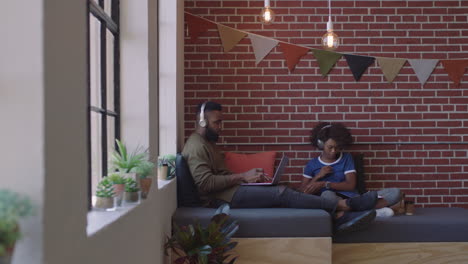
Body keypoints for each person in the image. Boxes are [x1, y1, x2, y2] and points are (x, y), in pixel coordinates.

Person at [182, 101, 379, 233]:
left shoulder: (208, 143)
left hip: (230, 191)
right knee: (282, 193)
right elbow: (205, 184)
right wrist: (242, 176)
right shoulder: (196, 145)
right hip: (220, 199)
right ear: (202, 121)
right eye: (217, 123)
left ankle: (337, 215)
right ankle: (344, 206)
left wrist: (250, 178)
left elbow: (219, 176)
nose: (220, 127)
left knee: (286, 188)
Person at [300, 122, 401, 218]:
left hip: (354, 199)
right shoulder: (312, 164)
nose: (333, 151)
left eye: (337, 147)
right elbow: (303, 193)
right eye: (330, 147)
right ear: (321, 144)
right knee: (327, 195)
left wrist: (325, 184)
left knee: (395, 193)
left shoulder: (346, 158)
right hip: (331, 200)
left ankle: (352, 212)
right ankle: (369, 211)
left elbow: (350, 185)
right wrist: (318, 177)